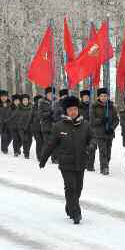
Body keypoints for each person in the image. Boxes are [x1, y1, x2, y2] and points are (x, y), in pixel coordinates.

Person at [38, 96, 93, 224]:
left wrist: (90, 146)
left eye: (75, 109)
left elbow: (93, 138)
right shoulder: (59, 126)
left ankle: (70, 206)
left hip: (80, 161)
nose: (73, 112)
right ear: (66, 111)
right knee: (70, 187)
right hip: (66, 163)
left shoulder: (85, 125)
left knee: (78, 188)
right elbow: (50, 144)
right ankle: (76, 213)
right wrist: (43, 158)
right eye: (70, 109)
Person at [90, 88, 117, 174]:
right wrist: (101, 120)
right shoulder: (94, 106)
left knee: (108, 152)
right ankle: (104, 168)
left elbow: (116, 120)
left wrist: (112, 127)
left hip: (109, 133)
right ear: (98, 97)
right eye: (102, 96)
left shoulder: (112, 107)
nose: (104, 97)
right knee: (103, 151)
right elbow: (92, 121)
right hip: (99, 133)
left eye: (105, 96)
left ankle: (106, 164)